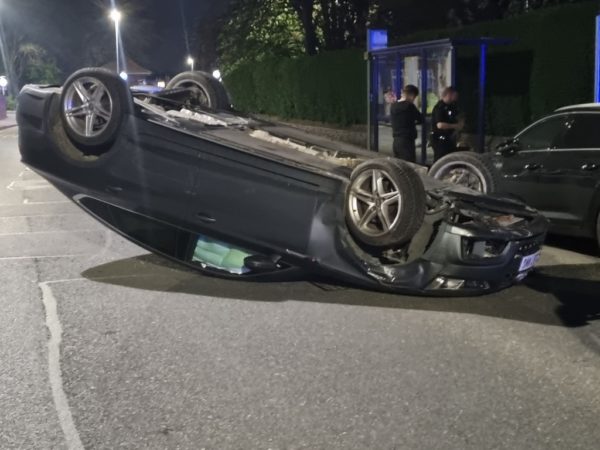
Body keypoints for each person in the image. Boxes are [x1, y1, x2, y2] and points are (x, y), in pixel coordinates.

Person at [390, 85, 424, 163]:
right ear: (411, 95)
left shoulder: (393, 106)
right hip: (407, 141)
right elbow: (420, 119)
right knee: (409, 165)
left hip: (396, 141)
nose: (413, 100)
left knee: (399, 165)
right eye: (414, 97)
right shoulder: (409, 106)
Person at [431, 86, 463, 162]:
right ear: (449, 94)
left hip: (449, 139)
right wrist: (455, 126)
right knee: (440, 160)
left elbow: (457, 116)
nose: (456, 97)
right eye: (455, 95)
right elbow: (440, 125)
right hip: (440, 139)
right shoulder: (440, 107)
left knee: (449, 159)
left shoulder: (451, 106)